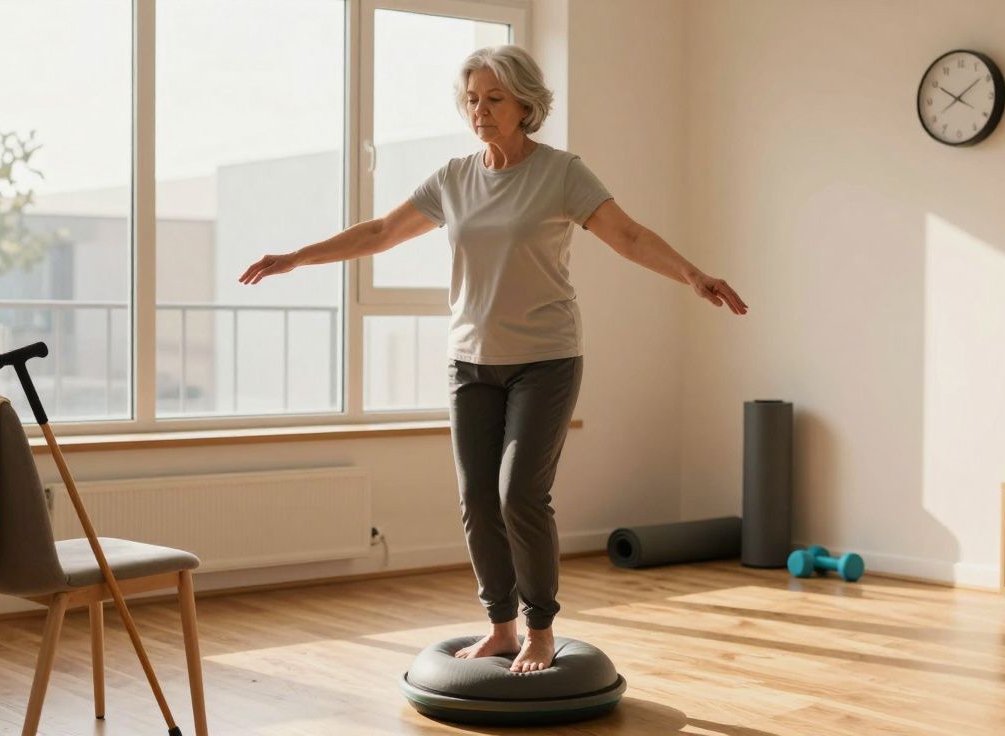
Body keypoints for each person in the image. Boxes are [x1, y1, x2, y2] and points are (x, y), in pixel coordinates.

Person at [240, 45, 747, 674]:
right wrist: (296, 257)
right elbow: (380, 233)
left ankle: (540, 628)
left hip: (545, 359)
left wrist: (692, 275)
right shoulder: (454, 178)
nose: (479, 110)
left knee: (519, 496)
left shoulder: (561, 173)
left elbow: (629, 235)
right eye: (472, 99)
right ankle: (501, 626)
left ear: (525, 104)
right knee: (479, 500)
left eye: (494, 99)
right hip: (470, 363)